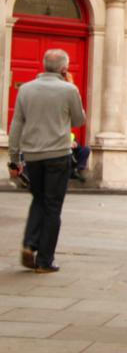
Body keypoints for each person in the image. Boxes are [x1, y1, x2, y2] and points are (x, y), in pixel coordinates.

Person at [7, 48, 86, 273]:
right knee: (53, 206)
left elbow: (17, 125)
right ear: (64, 69)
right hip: (58, 155)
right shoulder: (69, 89)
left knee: (38, 199)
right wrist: (73, 88)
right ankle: (44, 261)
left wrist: (14, 159)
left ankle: (29, 243)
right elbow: (79, 120)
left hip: (33, 156)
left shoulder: (26, 89)